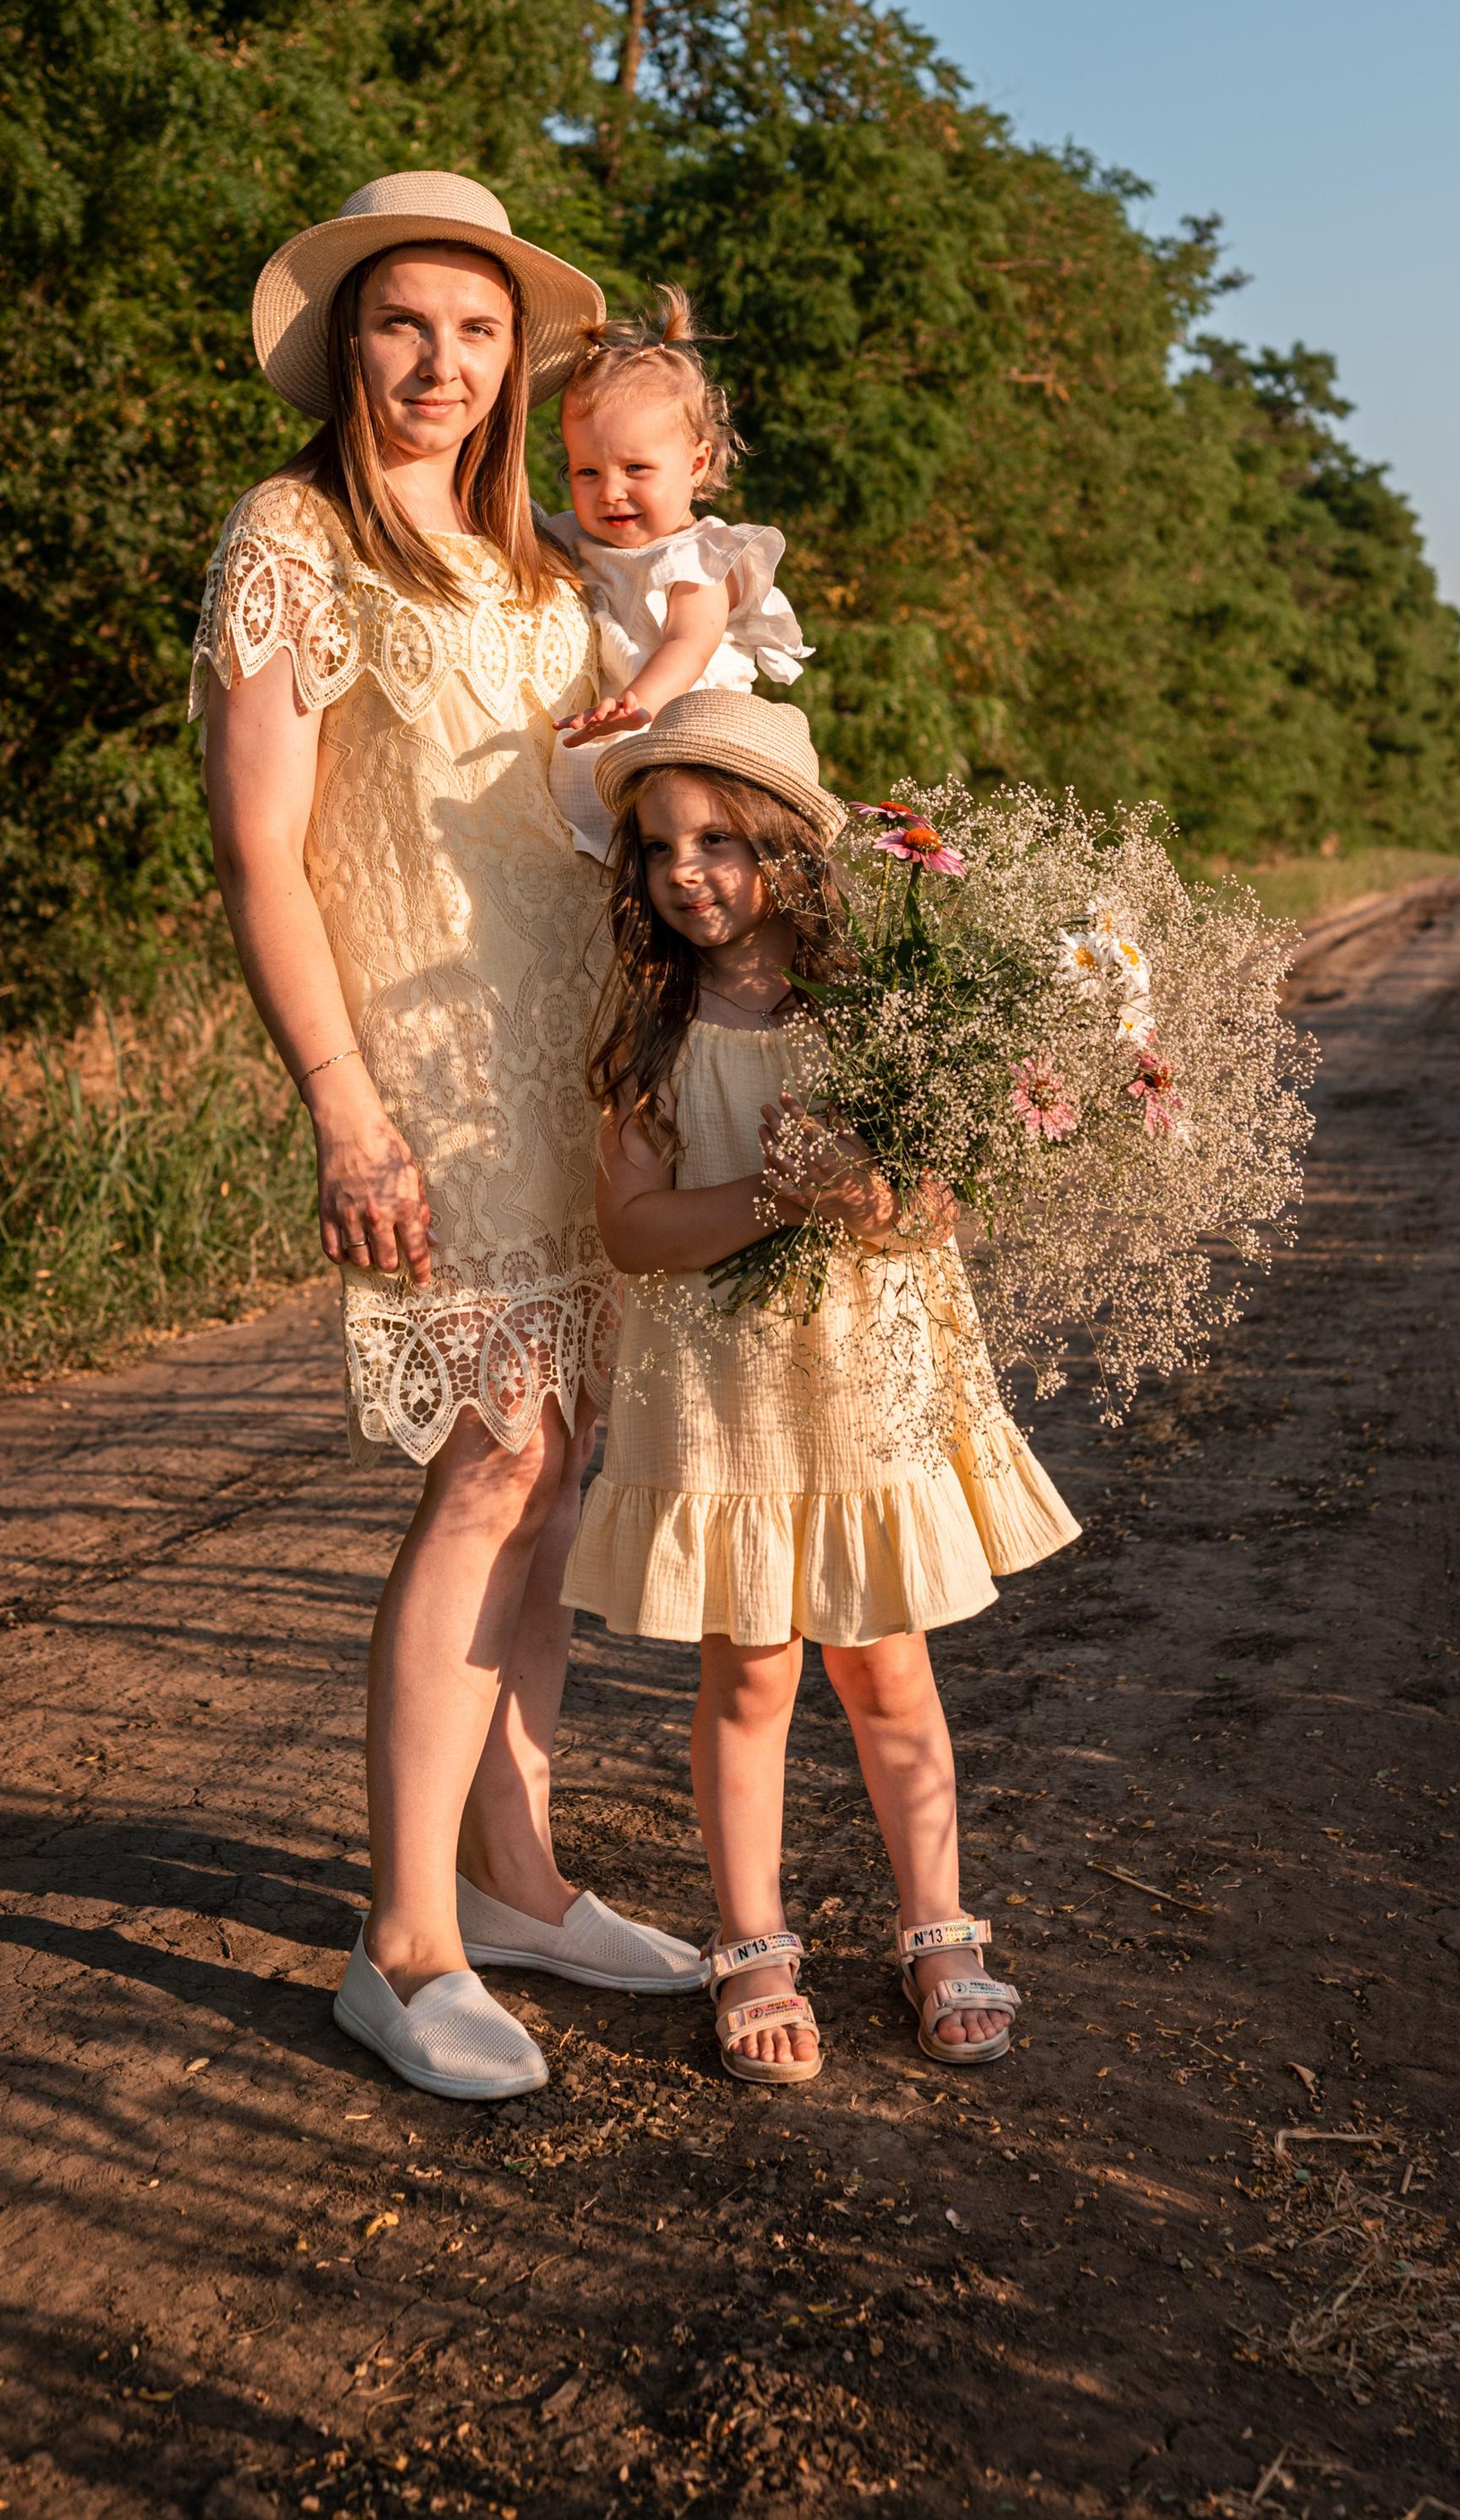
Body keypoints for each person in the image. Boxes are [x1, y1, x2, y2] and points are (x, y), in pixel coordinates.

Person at [193, 170, 703, 2103]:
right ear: (349, 341)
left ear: (514, 359)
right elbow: (261, 852)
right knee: (490, 1464)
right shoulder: (295, 536)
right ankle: (402, 1941)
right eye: (404, 321)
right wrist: (343, 1105)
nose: (441, 360)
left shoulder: (540, 563)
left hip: (574, 1070)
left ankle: (516, 1880)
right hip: (424, 1077)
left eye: (478, 329)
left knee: (555, 1478)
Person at [567, 689, 1079, 2086]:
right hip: (725, 1398)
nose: (686, 871)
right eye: (659, 846)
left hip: (862, 1379)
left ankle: (937, 1929)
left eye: (718, 839)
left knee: (888, 1667)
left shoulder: (884, 1012)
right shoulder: (652, 1029)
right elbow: (634, 1230)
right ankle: (754, 1943)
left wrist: (868, 1191)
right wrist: (775, 1195)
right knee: (750, 1673)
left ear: (789, 846)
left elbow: (937, 1206)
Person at [542, 289, 811, 862]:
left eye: (635, 468)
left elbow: (689, 642)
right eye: (586, 472)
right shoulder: (576, 538)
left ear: (696, 462)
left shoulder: (698, 556)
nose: (610, 491)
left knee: (692, 851)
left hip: (685, 729)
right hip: (616, 732)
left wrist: (638, 702)